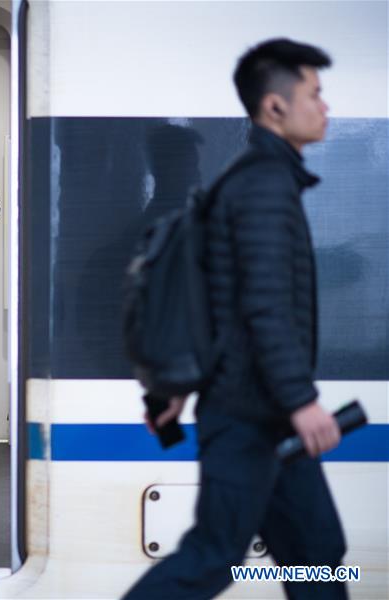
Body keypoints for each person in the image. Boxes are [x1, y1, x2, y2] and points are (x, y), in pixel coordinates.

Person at [123, 39, 347, 599]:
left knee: (317, 555)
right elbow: (263, 304)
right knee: (215, 555)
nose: (325, 108)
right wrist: (300, 398)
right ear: (275, 107)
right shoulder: (264, 186)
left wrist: (177, 389)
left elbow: (219, 298)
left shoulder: (255, 180)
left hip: (263, 414)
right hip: (251, 415)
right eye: (314, 95)